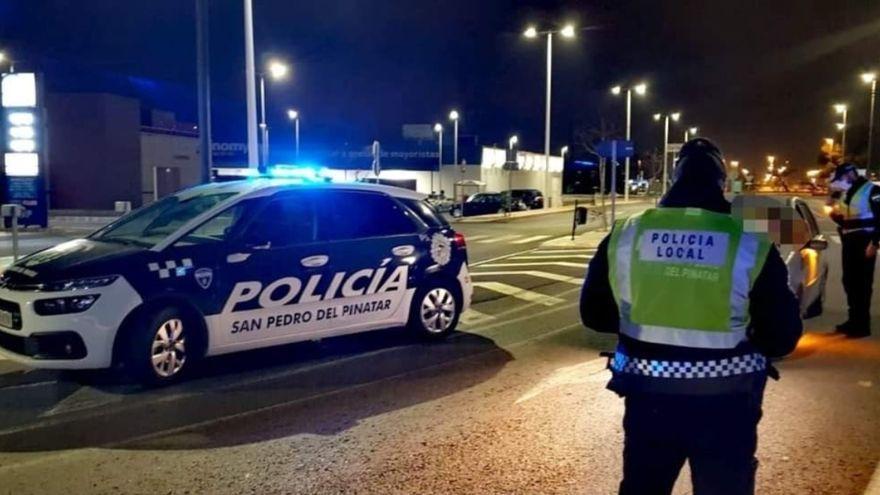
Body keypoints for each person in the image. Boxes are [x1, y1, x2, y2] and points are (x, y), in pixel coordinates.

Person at [580, 138, 802, 495]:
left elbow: (594, 315)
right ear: (722, 184)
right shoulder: (749, 241)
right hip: (727, 406)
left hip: (648, 401)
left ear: (673, 179)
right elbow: (782, 336)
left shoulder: (628, 233)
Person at [827, 162, 880, 338]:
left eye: (841, 179)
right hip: (849, 241)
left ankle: (862, 325)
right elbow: (845, 220)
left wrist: (875, 243)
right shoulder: (846, 193)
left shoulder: (872, 191)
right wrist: (832, 210)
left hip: (864, 241)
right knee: (849, 281)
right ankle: (853, 320)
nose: (840, 183)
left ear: (850, 175)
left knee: (862, 284)